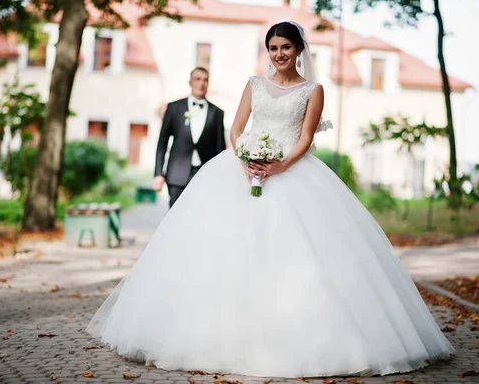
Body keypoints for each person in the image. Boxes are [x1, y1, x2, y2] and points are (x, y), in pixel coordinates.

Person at [87, 22, 454, 378]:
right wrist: (246, 158)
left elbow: (306, 138)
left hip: (292, 173)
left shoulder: (313, 90)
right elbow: (235, 128)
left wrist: (279, 166)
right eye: (273, 48)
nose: (279, 54)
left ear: (298, 50)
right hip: (241, 172)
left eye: (286, 47)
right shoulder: (254, 84)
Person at [152, 67, 226, 208]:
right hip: (176, 175)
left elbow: (220, 149)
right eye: (197, 79)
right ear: (190, 82)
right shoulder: (174, 108)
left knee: (200, 217)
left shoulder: (217, 113)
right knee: (174, 218)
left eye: (205, 80)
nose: (201, 83)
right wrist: (158, 173)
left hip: (205, 176)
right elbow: (162, 142)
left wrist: (220, 178)